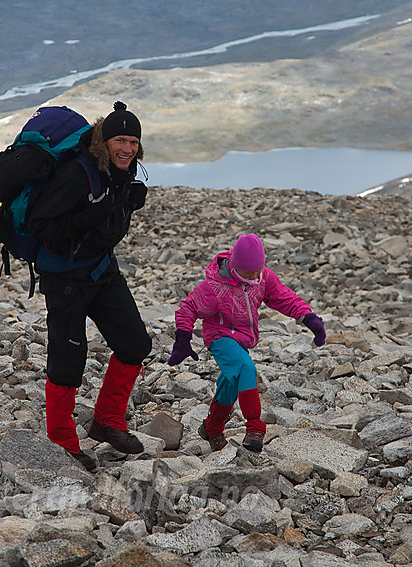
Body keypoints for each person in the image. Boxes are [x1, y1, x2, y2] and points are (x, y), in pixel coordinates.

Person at [27, 101, 152, 472]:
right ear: (104, 141)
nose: (127, 148)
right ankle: (62, 442)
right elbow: (41, 226)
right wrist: (93, 214)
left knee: (135, 344)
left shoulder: (119, 172)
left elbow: (105, 221)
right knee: (68, 361)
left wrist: (125, 204)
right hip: (65, 278)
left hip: (100, 270)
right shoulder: (76, 175)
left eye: (133, 141)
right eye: (120, 140)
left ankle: (107, 421)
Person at [167, 233, 326, 453]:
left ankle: (212, 428)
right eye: (248, 272)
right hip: (219, 336)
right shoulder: (214, 287)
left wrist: (309, 318)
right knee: (245, 367)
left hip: (242, 338)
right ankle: (255, 427)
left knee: (231, 380)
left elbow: (284, 298)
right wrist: (183, 338)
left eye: (257, 271)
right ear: (235, 266)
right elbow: (188, 308)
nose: (254, 276)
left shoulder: (263, 278)